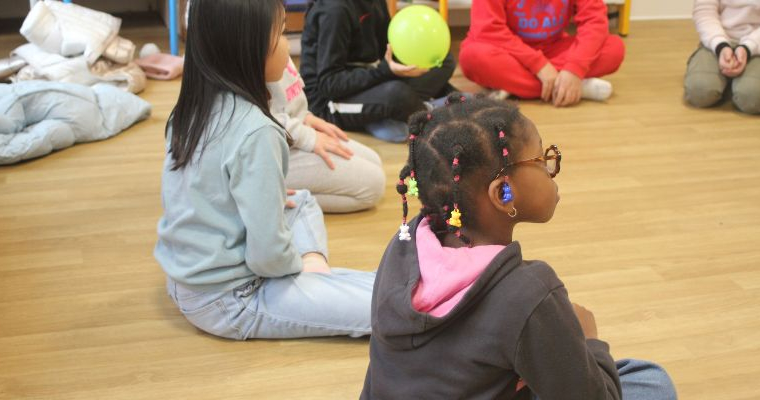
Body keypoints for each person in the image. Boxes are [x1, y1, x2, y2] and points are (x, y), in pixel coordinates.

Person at [361, 94, 677, 399]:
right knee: (651, 381)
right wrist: (590, 341)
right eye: (541, 159)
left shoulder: (405, 243)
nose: (550, 169)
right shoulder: (528, 294)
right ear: (503, 194)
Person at [154, 0, 375, 340]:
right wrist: (297, 267)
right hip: (231, 299)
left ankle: (316, 278)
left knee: (300, 201)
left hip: (186, 278)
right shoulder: (258, 131)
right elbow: (268, 258)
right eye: (282, 33)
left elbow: (198, 197)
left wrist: (267, 204)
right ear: (250, 48)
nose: (287, 46)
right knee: (382, 305)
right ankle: (315, 279)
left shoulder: (190, 108)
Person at [300, 0, 456, 142]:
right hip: (328, 102)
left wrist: (411, 62)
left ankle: (393, 113)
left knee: (443, 60)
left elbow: (387, 51)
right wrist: (385, 71)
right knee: (397, 94)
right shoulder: (335, 10)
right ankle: (429, 113)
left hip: (368, 80)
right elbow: (329, 84)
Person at [268, 58, 386, 213]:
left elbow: (284, 100)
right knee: (373, 187)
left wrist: (305, 117)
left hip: (292, 132)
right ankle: (265, 194)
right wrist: (307, 137)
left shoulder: (273, 50)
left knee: (374, 160)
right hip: (271, 151)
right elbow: (262, 119)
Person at [459, 0, 625, 107]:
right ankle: (570, 88)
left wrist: (574, 69)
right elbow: (488, 30)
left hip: (554, 49)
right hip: (510, 53)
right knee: (472, 57)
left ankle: (518, 86)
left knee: (614, 48)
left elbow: (594, 21)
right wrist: (539, 65)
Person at [684, 0, 760, 115]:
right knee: (699, 92)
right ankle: (732, 82)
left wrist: (748, 48)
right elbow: (704, 11)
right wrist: (720, 46)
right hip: (716, 39)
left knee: (753, 100)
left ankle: (737, 83)